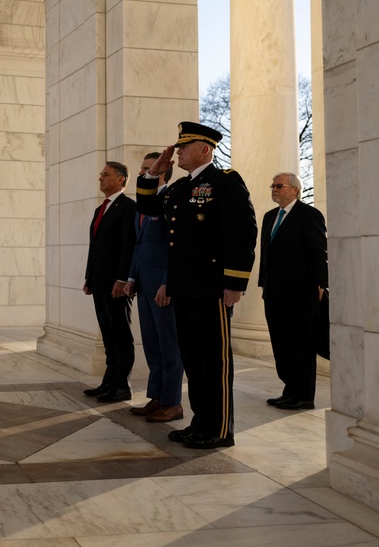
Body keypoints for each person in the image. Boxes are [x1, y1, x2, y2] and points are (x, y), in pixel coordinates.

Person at [136, 122, 256, 449]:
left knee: (214, 361)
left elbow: (242, 233)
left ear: (204, 149)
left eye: (184, 146)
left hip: (213, 288)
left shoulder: (224, 182)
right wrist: (153, 175)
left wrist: (235, 282)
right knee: (193, 359)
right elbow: (147, 207)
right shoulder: (179, 188)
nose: (178, 152)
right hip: (184, 288)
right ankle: (199, 423)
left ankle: (218, 429)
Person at [259, 172, 327, 410]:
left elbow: (319, 252)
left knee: (301, 344)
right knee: (281, 343)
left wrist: (321, 284)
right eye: (272, 185)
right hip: (273, 292)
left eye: (279, 186)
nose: (274, 189)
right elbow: (266, 256)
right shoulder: (269, 217)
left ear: (295, 190)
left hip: (302, 291)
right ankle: (290, 390)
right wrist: (263, 284)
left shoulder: (309, 215)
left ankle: (304, 396)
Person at [125, 153, 184, 423]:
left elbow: (175, 250)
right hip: (144, 285)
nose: (142, 173)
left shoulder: (172, 200)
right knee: (152, 345)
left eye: (148, 169)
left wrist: (167, 283)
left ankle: (173, 403)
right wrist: (132, 278)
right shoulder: (144, 204)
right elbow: (139, 247)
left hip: (163, 287)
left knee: (169, 346)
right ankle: (157, 397)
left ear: (162, 171)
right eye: (142, 169)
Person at [82, 161, 137, 403]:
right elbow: (95, 248)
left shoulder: (128, 207)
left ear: (121, 179)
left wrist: (122, 279)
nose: (100, 178)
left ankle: (122, 385)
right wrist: (89, 277)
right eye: (100, 174)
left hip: (117, 285)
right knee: (107, 334)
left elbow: (128, 246)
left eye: (106, 175)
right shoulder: (99, 210)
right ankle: (109, 381)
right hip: (100, 282)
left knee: (120, 334)